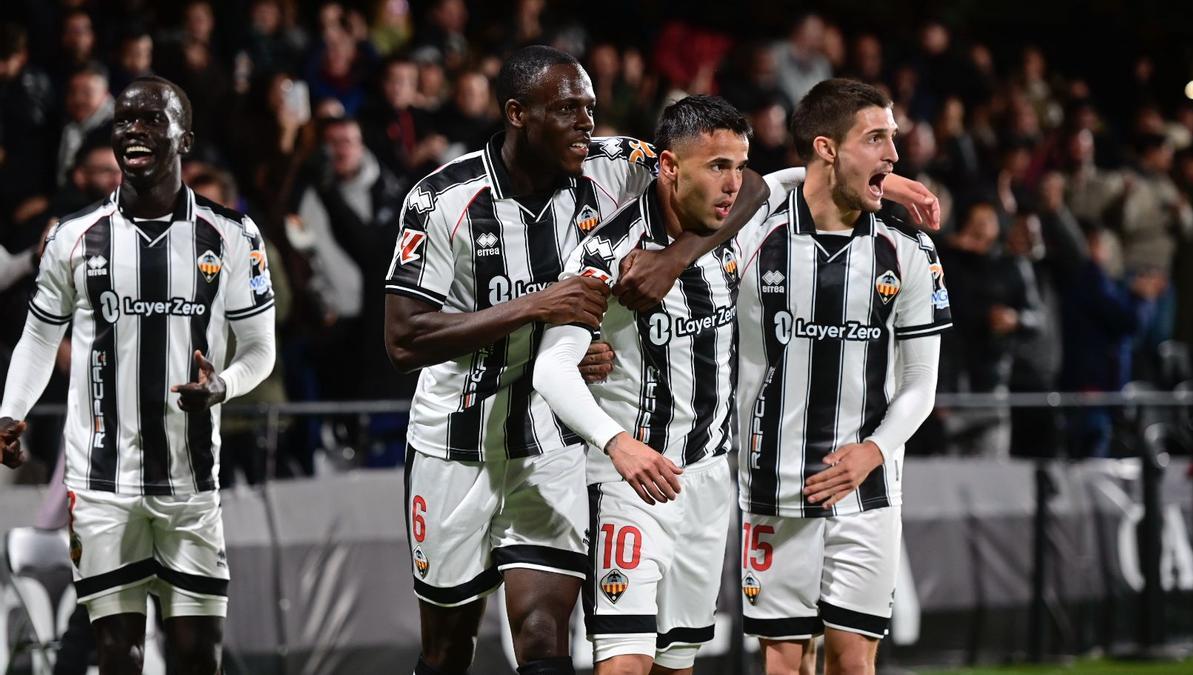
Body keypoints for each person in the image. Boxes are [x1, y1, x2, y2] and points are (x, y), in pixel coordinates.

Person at [383, 46, 773, 675]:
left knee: (542, 635)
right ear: (517, 113)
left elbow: (746, 183)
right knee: (449, 647)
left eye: (590, 108)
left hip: (553, 443)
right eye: (567, 109)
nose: (586, 124)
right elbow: (404, 341)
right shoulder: (443, 200)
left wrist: (675, 259)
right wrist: (540, 309)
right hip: (454, 444)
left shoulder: (614, 166)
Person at [0, 75, 276, 675]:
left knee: (197, 658)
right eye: (125, 120)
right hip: (103, 485)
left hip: (191, 486)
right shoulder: (72, 237)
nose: (134, 131)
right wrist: (11, 411)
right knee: (116, 656)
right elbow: (39, 338)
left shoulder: (232, 236)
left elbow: (260, 350)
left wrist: (222, 384)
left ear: (185, 137)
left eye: (152, 119)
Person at [733, 79, 951, 675]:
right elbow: (744, 189)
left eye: (894, 140)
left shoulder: (909, 250)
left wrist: (873, 452)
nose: (894, 155)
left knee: (853, 663)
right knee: (783, 664)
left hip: (869, 489)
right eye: (876, 139)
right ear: (827, 149)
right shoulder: (755, 233)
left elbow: (921, 386)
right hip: (774, 482)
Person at [533, 94, 756, 675]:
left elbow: (782, 183)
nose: (733, 184)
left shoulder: (724, 223)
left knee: (675, 665)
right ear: (669, 167)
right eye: (717, 166)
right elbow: (552, 368)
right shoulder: (609, 253)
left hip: (707, 481)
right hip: (628, 484)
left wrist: (898, 188)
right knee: (624, 662)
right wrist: (617, 443)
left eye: (738, 165)